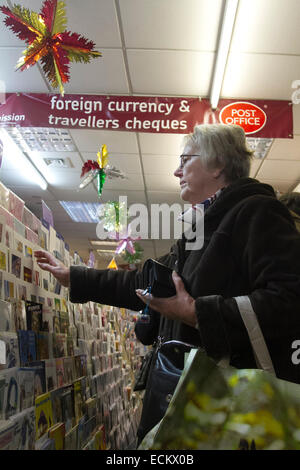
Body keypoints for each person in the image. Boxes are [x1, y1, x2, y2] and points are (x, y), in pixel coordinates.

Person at [34, 124, 300, 445]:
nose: (176, 172)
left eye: (185, 160)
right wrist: (74, 276)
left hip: (223, 410)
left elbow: (289, 301)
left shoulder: (258, 212)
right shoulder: (197, 229)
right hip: (185, 397)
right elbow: (142, 282)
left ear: (218, 165)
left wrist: (195, 312)